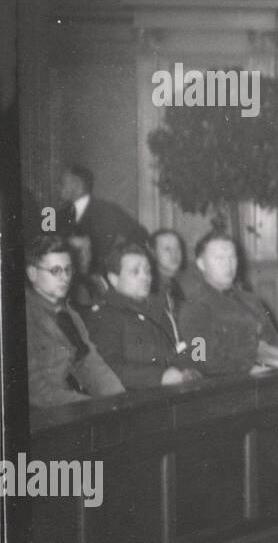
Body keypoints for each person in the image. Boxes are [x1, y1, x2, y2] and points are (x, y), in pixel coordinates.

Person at [179, 231, 278, 377]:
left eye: (232, 257)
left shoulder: (251, 300)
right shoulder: (195, 307)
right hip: (228, 385)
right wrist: (250, 366)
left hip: (268, 376)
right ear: (201, 264)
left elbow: (275, 343)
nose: (228, 264)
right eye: (219, 258)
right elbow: (200, 359)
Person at [24, 235, 124, 407]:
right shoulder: (23, 317)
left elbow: (90, 362)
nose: (64, 278)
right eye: (55, 271)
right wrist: (91, 406)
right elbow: (36, 392)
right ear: (32, 273)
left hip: (74, 408)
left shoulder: (69, 314)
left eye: (68, 270)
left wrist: (120, 400)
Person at [84, 242, 200, 390]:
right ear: (114, 279)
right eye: (135, 272)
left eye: (147, 271)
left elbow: (181, 348)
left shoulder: (160, 309)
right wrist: (160, 377)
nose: (145, 277)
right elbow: (107, 369)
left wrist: (189, 367)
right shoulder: (105, 317)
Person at [57, 165, 148, 275]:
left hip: (100, 278)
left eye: (62, 183)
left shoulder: (108, 210)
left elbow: (140, 234)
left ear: (77, 184)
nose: (58, 187)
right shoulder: (60, 214)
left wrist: (116, 259)